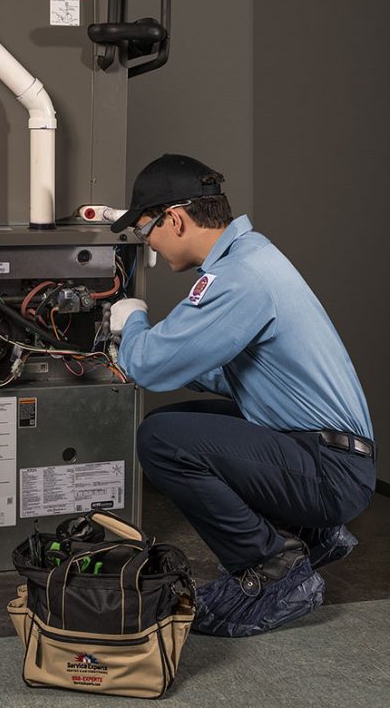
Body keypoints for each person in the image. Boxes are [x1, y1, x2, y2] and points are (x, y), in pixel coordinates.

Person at [109, 153, 375, 637]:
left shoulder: (237, 278)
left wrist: (133, 323)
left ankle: (273, 568)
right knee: (191, 418)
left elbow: (148, 364)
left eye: (146, 228)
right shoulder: (250, 255)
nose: (146, 241)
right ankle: (312, 536)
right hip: (325, 452)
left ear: (175, 219)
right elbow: (243, 379)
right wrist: (161, 355)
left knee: (162, 438)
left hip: (330, 471)